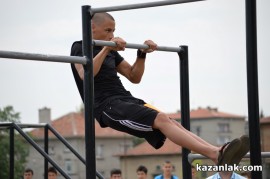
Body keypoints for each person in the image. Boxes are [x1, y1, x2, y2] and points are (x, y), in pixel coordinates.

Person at [70, 12, 249, 166]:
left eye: (114, 30)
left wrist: (141, 55)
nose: (112, 35)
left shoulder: (110, 50)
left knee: (171, 121)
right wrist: (105, 50)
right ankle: (215, 155)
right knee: (162, 119)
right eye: (108, 30)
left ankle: (217, 150)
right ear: (92, 27)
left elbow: (134, 76)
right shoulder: (80, 47)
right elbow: (86, 74)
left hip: (125, 98)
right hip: (106, 106)